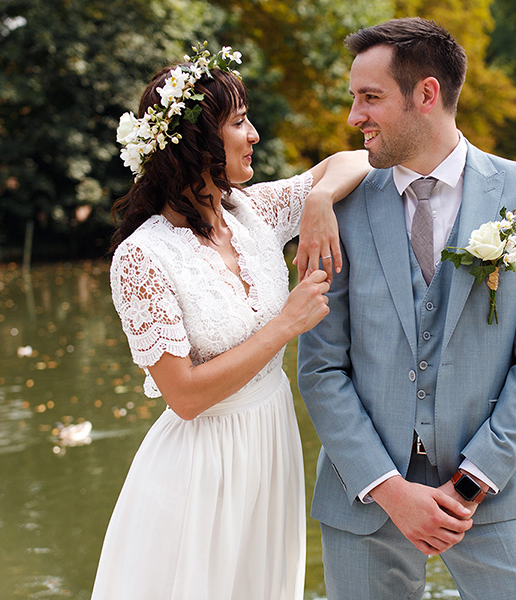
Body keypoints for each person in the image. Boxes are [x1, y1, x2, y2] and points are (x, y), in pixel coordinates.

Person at [297, 18, 516, 599]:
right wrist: (390, 490)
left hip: (493, 489)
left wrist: (470, 484)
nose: (353, 116)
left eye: (370, 97)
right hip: (367, 493)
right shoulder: (339, 207)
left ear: (426, 94)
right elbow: (321, 368)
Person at [91, 44, 370, 600]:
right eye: (239, 122)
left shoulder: (253, 212)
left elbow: (357, 160)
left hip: (270, 446)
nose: (255, 135)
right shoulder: (142, 257)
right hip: (199, 469)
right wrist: (285, 324)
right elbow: (185, 396)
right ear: (197, 142)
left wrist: (318, 199)